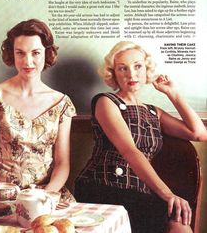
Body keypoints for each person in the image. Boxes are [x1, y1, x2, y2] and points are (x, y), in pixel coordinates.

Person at [74, 41, 207, 233]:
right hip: (103, 185)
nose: (131, 74)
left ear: (147, 70)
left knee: (180, 222)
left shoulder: (155, 113)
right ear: (114, 74)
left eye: (138, 66)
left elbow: (199, 133)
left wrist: (173, 93)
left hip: (139, 191)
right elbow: (130, 150)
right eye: (123, 68)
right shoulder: (105, 102)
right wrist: (167, 194)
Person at [0, 19, 76, 201]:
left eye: (35, 53)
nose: (28, 61)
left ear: (47, 53)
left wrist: (46, 195)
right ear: (12, 55)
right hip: (2, 193)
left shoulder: (62, 103)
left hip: (48, 195)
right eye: (20, 53)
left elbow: (62, 164)